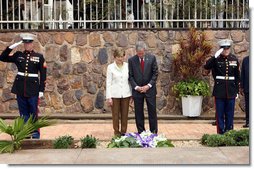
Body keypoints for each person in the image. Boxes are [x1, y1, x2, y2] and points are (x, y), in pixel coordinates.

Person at [0, 33, 47, 139]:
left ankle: (35, 132)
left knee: (33, 111)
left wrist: (41, 90)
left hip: (33, 88)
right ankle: (25, 132)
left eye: (29, 43)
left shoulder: (39, 57)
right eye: (25, 43)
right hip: (21, 87)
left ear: (32, 44)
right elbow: (2, 57)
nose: (27, 45)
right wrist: (12, 46)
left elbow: (43, 75)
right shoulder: (18, 55)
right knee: (23, 112)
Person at [204, 39, 240, 134]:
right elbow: (206, 66)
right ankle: (221, 132)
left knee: (230, 113)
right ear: (220, 49)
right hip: (219, 90)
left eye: (228, 48)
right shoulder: (216, 59)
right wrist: (214, 57)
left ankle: (229, 132)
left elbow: (237, 76)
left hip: (231, 90)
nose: (226, 50)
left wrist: (236, 90)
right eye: (224, 48)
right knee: (220, 114)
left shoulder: (234, 59)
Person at [128, 41, 158, 134]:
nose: (140, 55)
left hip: (150, 90)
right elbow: (130, 76)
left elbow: (155, 73)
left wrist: (148, 86)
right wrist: (136, 87)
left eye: (142, 53)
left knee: (152, 112)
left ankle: (153, 132)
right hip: (138, 91)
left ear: (145, 50)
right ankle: (141, 132)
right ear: (136, 51)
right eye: (138, 53)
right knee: (138, 113)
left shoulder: (152, 58)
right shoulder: (131, 60)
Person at [106, 49, 132, 136]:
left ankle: (123, 133)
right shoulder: (110, 67)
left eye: (122, 57)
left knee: (125, 115)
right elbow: (108, 82)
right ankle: (116, 133)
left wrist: (131, 94)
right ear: (115, 57)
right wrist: (109, 97)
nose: (120, 59)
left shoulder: (128, 66)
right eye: (118, 57)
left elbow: (130, 81)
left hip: (126, 94)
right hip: (114, 95)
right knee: (115, 115)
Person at [240, 56, 249, 128]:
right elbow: (242, 74)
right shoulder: (246, 60)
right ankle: (248, 122)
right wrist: (241, 87)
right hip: (248, 87)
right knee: (248, 106)